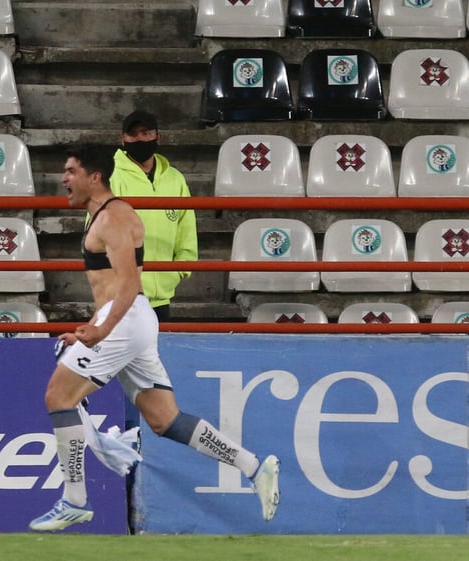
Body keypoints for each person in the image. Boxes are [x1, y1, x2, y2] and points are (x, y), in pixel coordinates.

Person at [28, 144, 280, 532]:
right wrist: (92, 325)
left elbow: (128, 285)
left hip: (125, 320)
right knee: (165, 420)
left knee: (58, 397)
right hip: (131, 321)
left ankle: (74, 500)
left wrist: (101, 330)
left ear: (94, 177)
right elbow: (113, 289)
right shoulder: (104, 215)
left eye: (70, 171)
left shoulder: (113, 218)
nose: (64, 179)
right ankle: (253, 466)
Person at [110, 109, 198, 322]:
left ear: (158, 136)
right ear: (123, 139)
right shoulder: (111, 176)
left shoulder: (175, 179)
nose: (139, 138)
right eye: (133, 134)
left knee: (156, 354)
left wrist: (178, 271)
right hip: (123, 295)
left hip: (163, 296)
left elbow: (186, 229)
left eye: (145, 132)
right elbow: (97, 232)